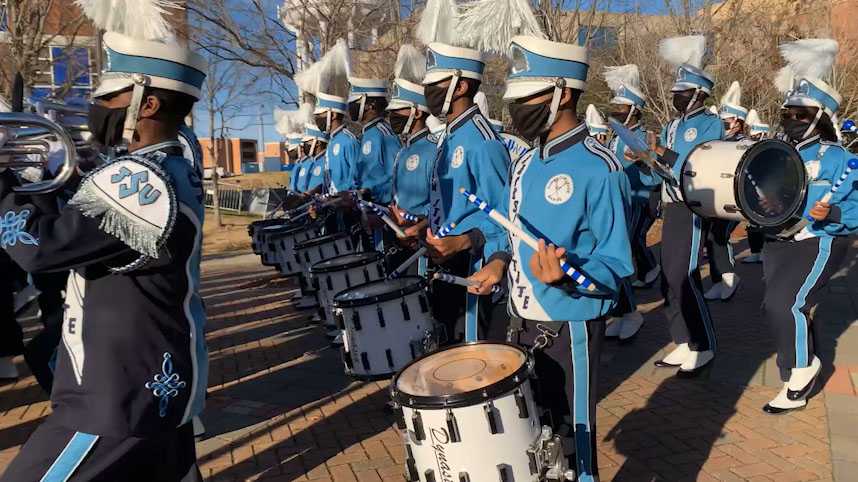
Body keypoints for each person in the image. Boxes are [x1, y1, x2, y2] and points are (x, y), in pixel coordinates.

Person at [0, 1, 207, 478]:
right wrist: (37, 184)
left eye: (109, 98)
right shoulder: (164, 169)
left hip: (117, 399)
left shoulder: (144, 180)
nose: (98, 108)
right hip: (143, 388)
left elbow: (40, 249)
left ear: (146, 103)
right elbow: (77, 234)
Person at [469, 34, 633, 481]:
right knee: (533, 436)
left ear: (562, 94)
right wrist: (500, 261)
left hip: (569, 325)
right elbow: (510, 227)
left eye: (526, 99)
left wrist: (566, 277)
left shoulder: (601, 167)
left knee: (573, 437)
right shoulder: (524, 162)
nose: (516, 109)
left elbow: (616, 267)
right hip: (520, 319)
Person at [762, 39, 858, 413]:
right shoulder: (778, 152)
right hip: (779, 239)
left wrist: (830, 215)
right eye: (788, 111)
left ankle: (803, 371)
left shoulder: (839, 158)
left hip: (819, 239)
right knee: (777, 305)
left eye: (800, 113)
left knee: (787, 303)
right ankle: (794, 364)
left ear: (819, 117)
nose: (790, 118)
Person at [412, 9, 511, 342]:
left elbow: (506, 218)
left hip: (475, 270)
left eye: (434, 85)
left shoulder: (482, 141)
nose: (428, 93)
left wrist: (466, 240)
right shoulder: (451, 136)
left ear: (461, 85)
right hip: (446, 264)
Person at [649, 35, 723, 376]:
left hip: (692, 206)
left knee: (685, 276)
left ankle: (703, 344)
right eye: (676, 91)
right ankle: (681, 339)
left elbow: (701, 164)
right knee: (667, 277)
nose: (676, 96)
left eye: (683, 92)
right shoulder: (671, 125)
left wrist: (666, 155)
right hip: (670, 204)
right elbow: (664, 166)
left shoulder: (711, 123)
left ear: (698, 94)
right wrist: (647, 158)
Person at [604, 63, 659, 340]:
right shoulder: (615, 138)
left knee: (620, 257)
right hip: (615, 204)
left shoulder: (641, 138)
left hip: (634, 203)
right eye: (615, 109)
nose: (616, 113)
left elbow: (655, 177)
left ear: (634, 112)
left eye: (622, 110)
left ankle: (631, 312)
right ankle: (621, 311)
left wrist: (645, 162)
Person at [704, 81, 747, 301]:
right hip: (716, 199)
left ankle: (729, 276)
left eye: (726, 121)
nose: (723, 125)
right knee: (710, 237)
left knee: (719, 235)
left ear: (738, 122)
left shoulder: (745, 143)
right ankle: (718, 279)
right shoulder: (719, 141)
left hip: (736, 200)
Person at [742, 109, 771, 264]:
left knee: (765, 223)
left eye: (755, 136)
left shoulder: (770, 147)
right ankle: (755, 252)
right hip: (752, 188)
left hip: (767, 189)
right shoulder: (750, 147)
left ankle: (766, 253)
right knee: (752, 222)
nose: (752, 138)